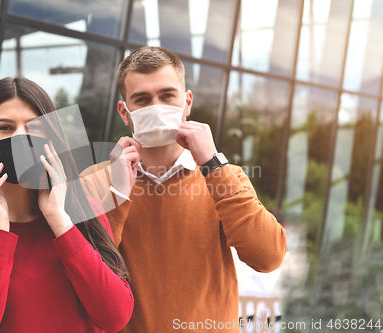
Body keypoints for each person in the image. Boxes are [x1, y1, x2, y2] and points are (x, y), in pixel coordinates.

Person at [79, 46, 287, 332]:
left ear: (187, 103)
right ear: (124, 113)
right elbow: (83, 277)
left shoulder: (226, 177)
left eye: (167, 95)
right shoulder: (94, 179)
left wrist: (213, 166)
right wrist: (118, 193)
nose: (156, 106)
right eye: (142, 99)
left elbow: (269, 257)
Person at [0, 76, 133, 333]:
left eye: (34, 128)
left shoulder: (84, 212)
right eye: (5, 128)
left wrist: (59, 220)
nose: (20, 137)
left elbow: (115, 317)